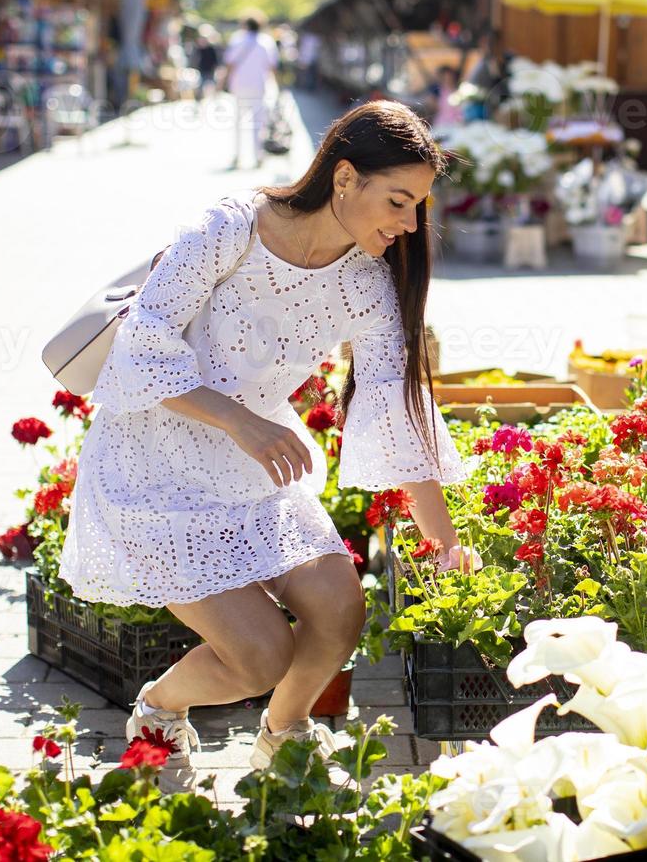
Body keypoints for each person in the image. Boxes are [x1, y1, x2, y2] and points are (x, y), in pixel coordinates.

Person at [58, 100, 468, 792]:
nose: (406, 225)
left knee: (340, 608)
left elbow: (395, 407)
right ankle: (158, 715)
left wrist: (447, 546)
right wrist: (242, 422)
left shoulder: (366, 283)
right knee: (257, 656)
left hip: (247, 473)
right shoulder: (228, 230)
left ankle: (282, 741)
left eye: (416, 209)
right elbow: (142, 344)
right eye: (397, 201)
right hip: (151, 467)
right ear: (344, 178)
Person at [222, 10, 278, 169]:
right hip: (258, 86)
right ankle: (258, 156)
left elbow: (229, 63)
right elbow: (272, 66)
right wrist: (277, 86)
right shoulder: (267, 41)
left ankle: (237, 156)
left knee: (238, 122)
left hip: (238, 86)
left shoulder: (237, 39)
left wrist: (223, 83)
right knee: (258, 122)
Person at [193, 25, 220, 103]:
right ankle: (198, 99)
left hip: (210, 70)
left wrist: (216, 68)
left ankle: (215, 100)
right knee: (200, 85)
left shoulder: (211, 48)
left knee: (213, 85)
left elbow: (215, 59)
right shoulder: (199, 49)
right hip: (202, 69)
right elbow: (195, 58)